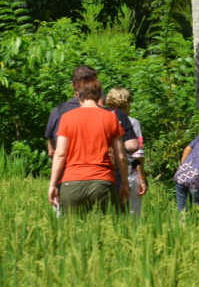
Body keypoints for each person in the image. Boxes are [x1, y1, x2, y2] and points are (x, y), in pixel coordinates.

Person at [47, 77, 130, 213]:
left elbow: (60, 154)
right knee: (105, 231)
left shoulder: (67, 118)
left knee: (72, 232)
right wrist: (125, 184)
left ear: (78, 95)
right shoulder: (110, 117)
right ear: (99, 95)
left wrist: (53, 184)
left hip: (71, 182)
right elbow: (120, 156)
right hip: (102, 182)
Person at [104, 87, 148, 216]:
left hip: (106, 173)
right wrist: (141, 177)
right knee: (132, 215)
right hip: (128, 173)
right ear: (126, 102)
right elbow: (137, 154)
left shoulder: (103, 119)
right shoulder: (133, 123)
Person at [45, 64, 97, 157]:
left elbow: (51, 150)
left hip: (66, 167)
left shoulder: (58, 111)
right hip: (96, 167)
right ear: (95, 86)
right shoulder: (104, 113)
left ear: (72, 85)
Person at [174, 132, 199, 211]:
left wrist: (183, 167)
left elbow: (187, 149)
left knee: (183, 214)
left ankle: (181, 223)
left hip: (181, 175)